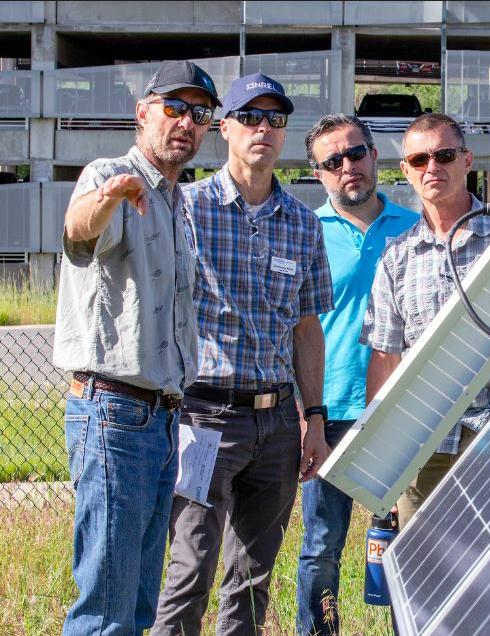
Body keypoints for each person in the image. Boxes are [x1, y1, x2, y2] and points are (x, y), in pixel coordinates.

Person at [152, 73, 334, 635]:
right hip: (204, 415)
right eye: (250, 117)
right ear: (224, 127)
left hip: (277, 424)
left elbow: (307, 329)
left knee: (254, 577)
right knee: (191, 568)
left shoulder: (303, 223)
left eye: (275, 120)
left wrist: (314, 419)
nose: (263, 129)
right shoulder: (187, 208)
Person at [53, 60, 218, 635]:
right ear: (142, 112)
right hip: (114, 413)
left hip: (164, 419)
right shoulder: (112, 175)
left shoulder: (178, 202)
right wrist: (109, 195)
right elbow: (78, 228)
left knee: (139, 603)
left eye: (199, 114)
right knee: (106, 609)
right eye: (174, 108)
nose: (187, 124)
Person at [362, 113, 490, 528]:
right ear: (405, 171)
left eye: (444, 155)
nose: (432, 167)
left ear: (467, 160)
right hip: (421, 444)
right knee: (424, 569)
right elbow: (386, 357)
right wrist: (378, 458)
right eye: (419, 160)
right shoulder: (396, 257)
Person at [296, 114, 419, 635]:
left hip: (400, 412)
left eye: (357, 153)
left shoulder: (414, 227)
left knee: (406, 544)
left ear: (375, 156)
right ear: (318, 174)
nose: (348, 167)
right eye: (333, 161)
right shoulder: (305, 232)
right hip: (329, 415)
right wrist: (308, 418)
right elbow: (293, 331)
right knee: (322, 547)